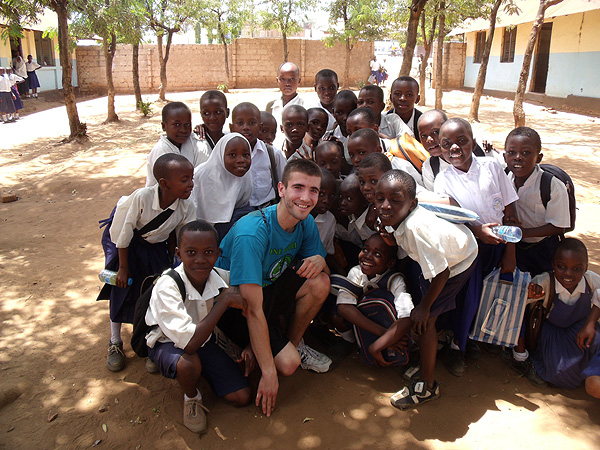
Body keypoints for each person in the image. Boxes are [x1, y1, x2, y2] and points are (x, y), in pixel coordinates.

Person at [215, 159, 332, 417]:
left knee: (320, 282)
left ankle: (291, 343)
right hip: (235, 303)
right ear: (281, 189)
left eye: (313, 190)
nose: (306, 198)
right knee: (288, 366)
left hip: (267, 289)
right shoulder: (253, 232)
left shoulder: (305, 222)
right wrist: (269, 374)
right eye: (298, 188)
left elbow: (323, 274)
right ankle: (238, 343)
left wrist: (321, 260)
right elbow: (253, 309)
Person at [375, 170, 478, 409]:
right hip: (446, 256)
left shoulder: (415, 228)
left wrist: (424, 307)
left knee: (425, 321)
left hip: (457, 263)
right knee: (425, 319)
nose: (385, 206)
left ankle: (428, 386)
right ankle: (428, 356)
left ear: (413, 204)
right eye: (380, 198)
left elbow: (442, 272)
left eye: (395, 200)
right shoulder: (401, 219)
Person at [146, 220, 252, 433]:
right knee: (188, 363)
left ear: (218, 253)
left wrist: (251, 343)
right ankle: (192, 397)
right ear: (178, 253)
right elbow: (190, 344)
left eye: (209, 252)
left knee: (242, 397)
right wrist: (224, 302)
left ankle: (203, 370)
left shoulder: (219, 277)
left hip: (202, 338)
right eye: (191, 252)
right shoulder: (167, 285)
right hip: (168, 341)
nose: (201, 260)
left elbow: (250, 293)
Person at [434, 118, 518, 377]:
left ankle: (481, 338)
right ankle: (458, 346)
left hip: (501, 243)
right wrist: (478, 231)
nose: (455, 148)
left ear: (472, 141)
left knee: (494, 294)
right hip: (470, 249)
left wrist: (511, 251)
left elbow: (510, 207)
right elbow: (451, 219)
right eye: (447, 144)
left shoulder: (491, 166)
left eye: (462, 141)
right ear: (440, 147)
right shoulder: (442, 180)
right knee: (469, 297)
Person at [98, 153, 196, 372]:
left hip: (155, 247)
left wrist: (178, 261)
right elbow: (124, 232)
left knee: (154, 290)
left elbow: (180, 235)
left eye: (191, 178)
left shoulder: (186, 206)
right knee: (121, 289)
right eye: (184, 180)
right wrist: (123, 267)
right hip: (126, 244)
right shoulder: (142, 198)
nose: (191, 184)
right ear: (164, 183)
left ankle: (149, 343)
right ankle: (115, 342)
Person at [501, 126, 571, 379]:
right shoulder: (504, 177)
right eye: (512, 152)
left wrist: (522, 233)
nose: (517, 157)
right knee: (511, 292)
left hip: (541, 248)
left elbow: (559, 224)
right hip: (513, 246)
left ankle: (529, 347)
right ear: (504, 155)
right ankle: (510, 342)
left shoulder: (550, 185)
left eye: (526, 152)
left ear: (538, 157)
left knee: (536, 298)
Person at [529, 238, 600, 398]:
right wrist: (531, 296)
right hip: (554, 334)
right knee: (559, 373)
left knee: (597, 339)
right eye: (561, 267)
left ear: (586, 268)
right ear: (553, 265)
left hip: (580, 328)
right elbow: (524, 305)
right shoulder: (545, 281)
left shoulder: (590, 280)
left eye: (577, 269)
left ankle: (592, 374)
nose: (568, 273)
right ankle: (587, 373)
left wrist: (590, 324)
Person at [335, 234, 413, 366]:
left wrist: (380, 344)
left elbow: (407, 317)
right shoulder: (356, 272)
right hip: (372, 326)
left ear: (390, 263)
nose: (368, 256)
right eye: (365, 249)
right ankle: (352, 343)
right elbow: (344, 308)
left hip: (388, 327)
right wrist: (384, 334)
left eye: (377, 254)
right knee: (337, 317)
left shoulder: (395, 280)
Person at [192, 133, 253, 240]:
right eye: (232, 155)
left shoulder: (245, 175)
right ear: (220, 155)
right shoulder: (202, 177)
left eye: (246, 155)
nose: (240, 160)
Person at [230, 102, 286, 208]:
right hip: (237, 213)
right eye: (240, 123)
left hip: (266, 211)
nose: (246, 127)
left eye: (252, 123)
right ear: (232, 127)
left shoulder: (273, 154)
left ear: (260, 127)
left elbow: (285, 185)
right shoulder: (224, 154)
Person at [146, 102, 209, 187]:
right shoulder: (161, 151)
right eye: (177, 124)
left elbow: (205, 169)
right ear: (164, 126)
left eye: (187, 124)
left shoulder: (193, 140)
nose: (183, 130)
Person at [266, 62, 304, 147]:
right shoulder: (271, 106)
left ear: (299, 81)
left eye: (292, 79)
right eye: (282, 79)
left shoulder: (305, 106)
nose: (287, 83)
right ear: (277, 80)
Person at [323, 90, 357, 165]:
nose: (345, 117)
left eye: (350, 112)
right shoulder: (328, 138)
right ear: (333, 113)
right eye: (340, 113)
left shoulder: (363, 137)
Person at [311, 168, 338, 258]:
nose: (326, 200)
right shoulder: (296, 217)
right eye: (321, 193)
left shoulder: (330, 220)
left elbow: (326, 252)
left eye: (331, 195)